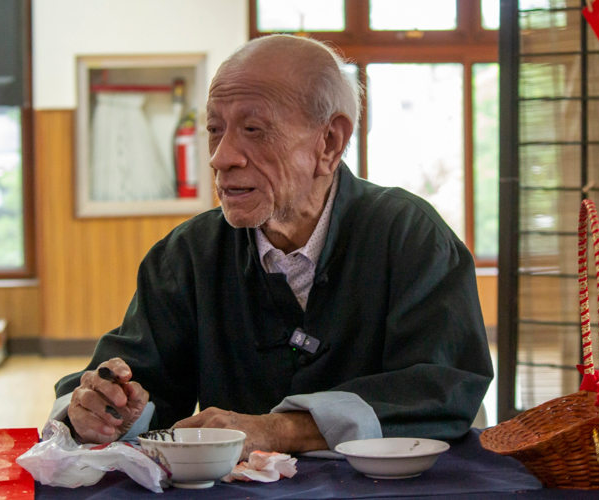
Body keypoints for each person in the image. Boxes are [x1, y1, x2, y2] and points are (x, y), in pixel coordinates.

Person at [50, 34, 494, 460]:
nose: (221, 157)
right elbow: (137, 387)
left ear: (329, 143)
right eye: (214, 129)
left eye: (253, 129)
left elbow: (442, 391)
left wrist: (280, 430)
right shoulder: (189, 255)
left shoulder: (410, 238)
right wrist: (104, 409)